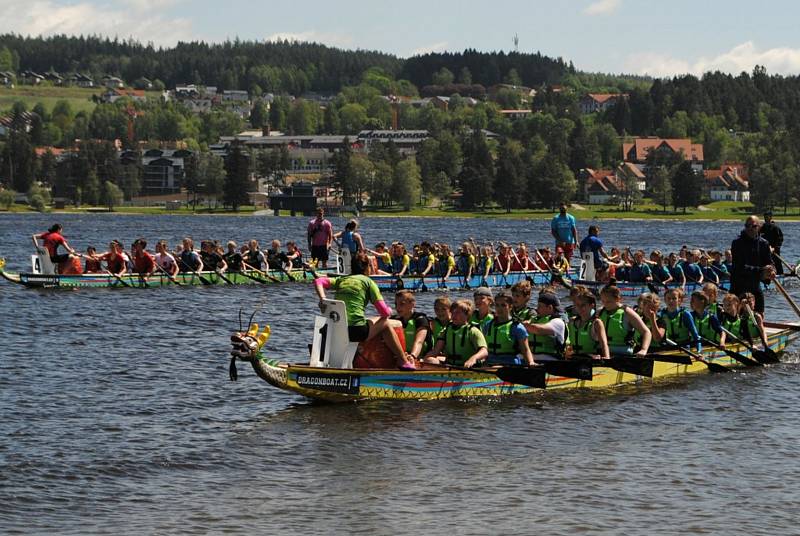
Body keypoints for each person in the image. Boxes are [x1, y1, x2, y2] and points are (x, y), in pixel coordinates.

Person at [313, 251, 414, 370]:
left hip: (334, 330)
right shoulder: (368, 282)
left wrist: (323, 299)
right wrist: (390, 310)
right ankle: (403, 361)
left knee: (369, 321)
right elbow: (384, 313)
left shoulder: (341, 280)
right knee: (385, 323)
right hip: (355, 332)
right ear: (367, 267)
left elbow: (318, 281)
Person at [423, 299, 488, 368]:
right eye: (452, 312)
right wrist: (424, 360)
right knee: (430, 360)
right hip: (450, 365)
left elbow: (484, 351)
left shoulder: (473, 331)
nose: (453, 315)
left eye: (457, 312)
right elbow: (436, 351)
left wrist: (473, 359)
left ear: (467, 314)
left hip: (467, 366)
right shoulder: (447, 330)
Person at [730, 215, 776, 313]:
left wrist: (771, 271)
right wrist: (761, 271)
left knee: (759, 313)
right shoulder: (737, 243)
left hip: (755, 284)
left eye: (753, 226)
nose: (750, 228)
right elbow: (739, 267)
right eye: (747, 226)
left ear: (759, 227)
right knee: (738, 316)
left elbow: (769, 262)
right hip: (739, 285)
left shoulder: (764, 243)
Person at [483, 289, 536, 366]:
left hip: (509, 365)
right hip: (489, 364)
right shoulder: (488, 325)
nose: (499, 308)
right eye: (497, 305)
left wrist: (531, 363)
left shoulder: (517, 327)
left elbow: (526, 350)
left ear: (510, 306)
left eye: (503, 305)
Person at [597, 285, 651, 356]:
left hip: (623, 353)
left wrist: (644, 349)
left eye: (608, 302)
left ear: (618, 299)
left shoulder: (627, 313)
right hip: (602, 352)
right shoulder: (600, 312)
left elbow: (646, 332)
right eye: (603, 301)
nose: (605, 304)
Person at [522, 291, 568, 361]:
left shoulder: (558, 322)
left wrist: (523, 325)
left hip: (549, 359)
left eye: (540, 306)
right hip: (530, 357)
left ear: (549, 308)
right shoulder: (533, 320)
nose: (537, 309)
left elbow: (538, 330)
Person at [391, 290, 431, 361]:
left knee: (431, 360)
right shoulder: (394, 320)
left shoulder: (421, 320)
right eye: (396, 304)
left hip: (419, 358)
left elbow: (419, 342)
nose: (397, 307)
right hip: (402, 356)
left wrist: (412, 356)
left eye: (401, 304)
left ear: (412, 304)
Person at [760, 210, 784, 275]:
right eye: (765, 217)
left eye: (767, 217)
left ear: (770, 217)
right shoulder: (762, 228)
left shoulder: (775, 228)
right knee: (764, 264)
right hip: (764, 250)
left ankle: (780, 275)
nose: (766, 219)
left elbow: (780, 239)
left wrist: (774, 248)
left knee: (777, 263)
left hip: (774, 251)